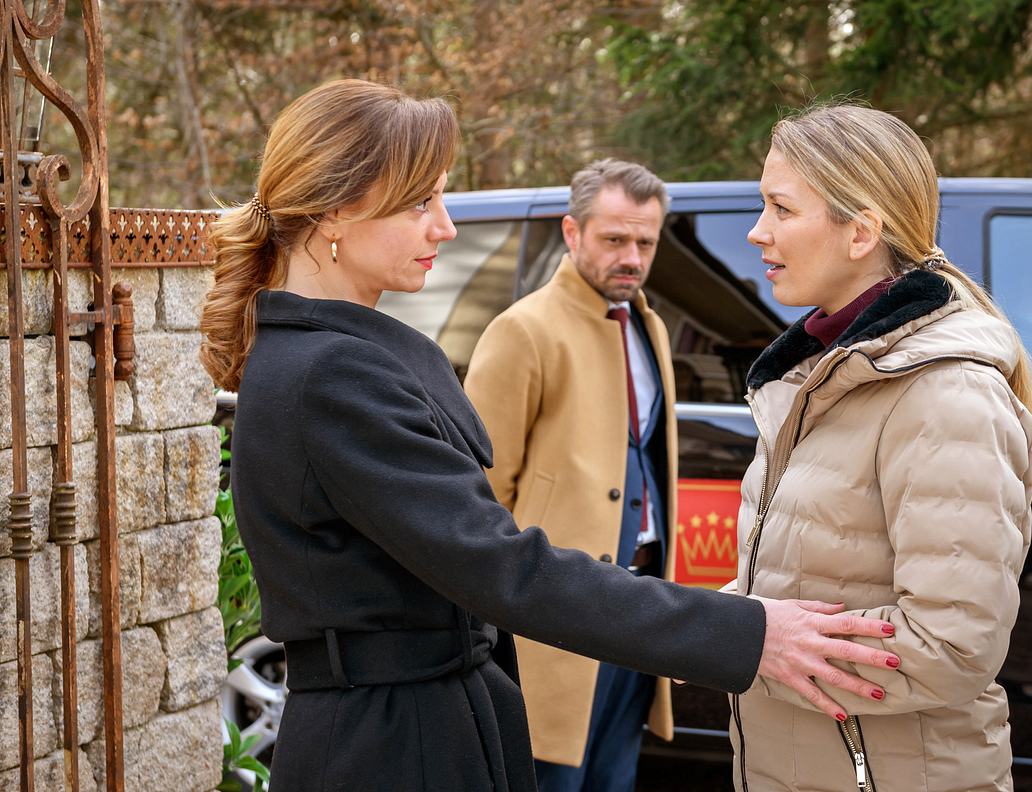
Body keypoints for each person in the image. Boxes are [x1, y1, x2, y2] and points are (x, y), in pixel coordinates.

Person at [199, 79, 901, 792]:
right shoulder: (330, 376)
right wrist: (749, 634)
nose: (445, 227)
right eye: (421, 202)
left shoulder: (343, 356)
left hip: (425, 723)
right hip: (393, 748)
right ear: (335, 211)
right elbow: (502, 566)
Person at [730, 103, 1032, 792]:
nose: (757, 232)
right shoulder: (814, 379)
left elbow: (952, 644)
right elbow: (781, 596)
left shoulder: (944, 394)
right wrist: (688, 626)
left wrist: (744, 641)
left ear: (860, 231)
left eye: (781, 208)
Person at [464, 159, 674, 791]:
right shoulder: (523, 329)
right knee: (551, 779)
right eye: (614, 240)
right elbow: (481, 491)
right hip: (557, 614)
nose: (631, 257)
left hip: (639, 608)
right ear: (572, 232)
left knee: (614, 779)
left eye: (645, 242)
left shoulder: (649, 326)